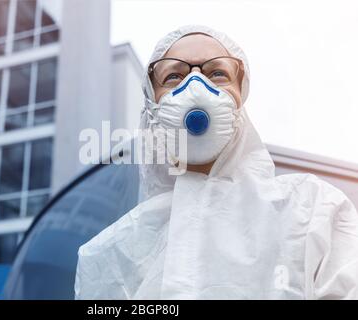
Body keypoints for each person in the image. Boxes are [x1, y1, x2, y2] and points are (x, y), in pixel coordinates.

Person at [74, 25, 358, 299]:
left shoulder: (311, 211)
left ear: (239, 99)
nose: (196, 87)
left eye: (218, 73)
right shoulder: (109, 255)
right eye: (174, 76)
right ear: (151, 105)